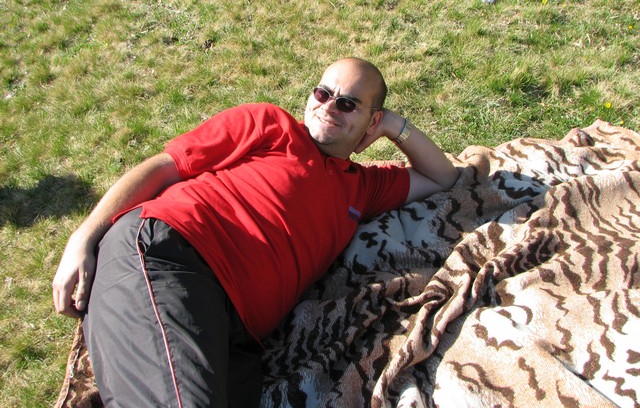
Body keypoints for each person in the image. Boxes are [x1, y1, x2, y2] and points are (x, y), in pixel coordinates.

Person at [52, 57, 458, 407]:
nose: (329, 107)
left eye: (348, 104)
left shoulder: (363, 187)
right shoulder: (270, 124)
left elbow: (442, 175)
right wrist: (83, 238)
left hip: (237, 335)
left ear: (371, 121)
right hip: (171, 255)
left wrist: (393, 125)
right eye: (322, 93)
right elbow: (163, 167)